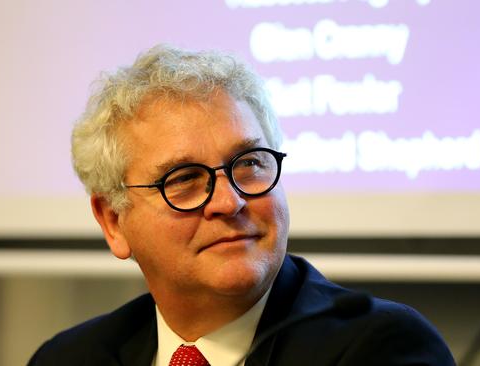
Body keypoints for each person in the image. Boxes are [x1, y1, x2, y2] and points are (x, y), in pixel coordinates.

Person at [28, 44, 455, 366]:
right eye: (185, 179)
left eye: (249, 164)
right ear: (113, 222)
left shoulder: (379, 348)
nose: (229, 201)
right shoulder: (70, 358)